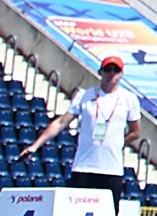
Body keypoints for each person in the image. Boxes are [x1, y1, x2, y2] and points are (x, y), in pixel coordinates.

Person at [21, 55, 143, 193]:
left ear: (121, 74)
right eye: (108, 69)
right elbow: (61, 122)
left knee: (108, 213)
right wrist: (35, 146)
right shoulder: (85, 95)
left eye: (116, 70)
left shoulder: (129, 99)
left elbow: (135, 132)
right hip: (84, 166)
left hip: (111, 168)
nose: (111, 74)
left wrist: (118, 143)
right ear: (101, 72)